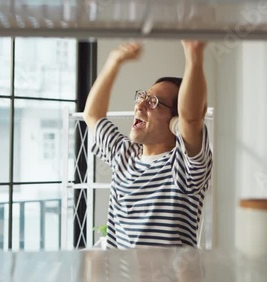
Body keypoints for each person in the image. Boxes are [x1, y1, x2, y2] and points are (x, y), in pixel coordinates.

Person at [83, 41, 213, 249]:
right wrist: (114, 61)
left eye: (153, 102)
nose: (139, 105)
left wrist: (193, 55)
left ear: (174, 120)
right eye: (142, 97)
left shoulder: (183, 166)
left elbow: (191, 119)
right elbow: (92, 115)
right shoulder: (123, 154)